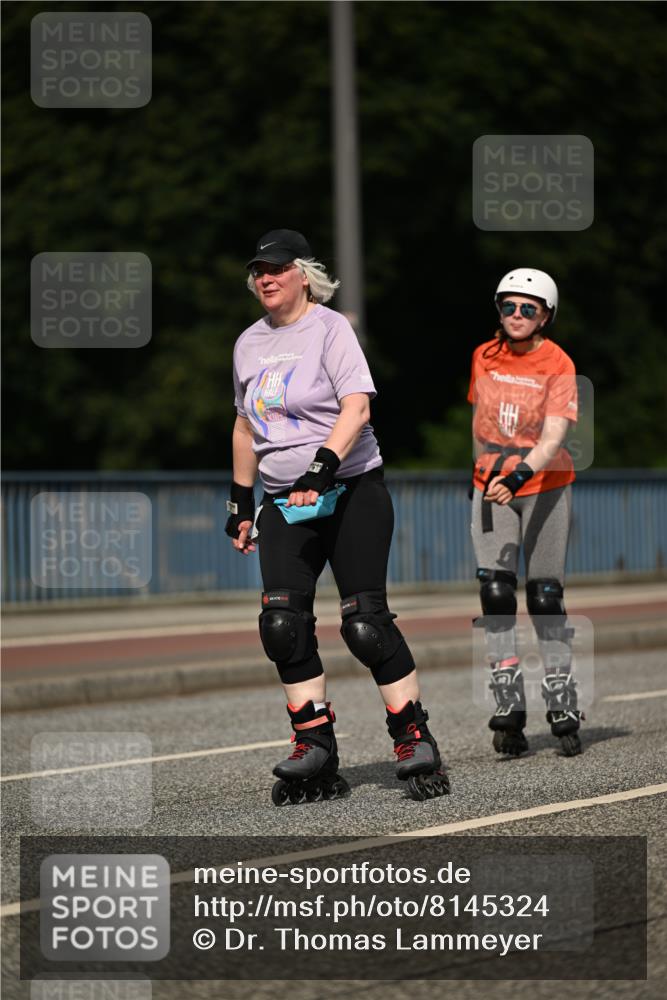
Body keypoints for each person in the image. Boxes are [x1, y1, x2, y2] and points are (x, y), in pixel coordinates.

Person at [226, 229, 449, 804]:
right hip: (281, 502)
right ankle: (315, 744)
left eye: (276, 268)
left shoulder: (330, 328)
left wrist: (320, 470)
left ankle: (413, 736)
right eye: (258, 270)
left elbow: (357, 406)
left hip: (350, 490)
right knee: (282, 623)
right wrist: (239, 502)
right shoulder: (248, 343)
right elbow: (247, 426)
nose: (265, 278)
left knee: (364, 624)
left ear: (303, 274)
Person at [468, 268, 583, 758]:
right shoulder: (484, 356)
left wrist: (517, 476)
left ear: (545, 316)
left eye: (527, 308)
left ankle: (560, 696)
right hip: (492, 487)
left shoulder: (558, 363)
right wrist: (480, 475)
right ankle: (508, 701)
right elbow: (480, 423)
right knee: (495, 591)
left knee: (544, 595)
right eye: (508, 306)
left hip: (544, 484)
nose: (516, 316)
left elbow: (554, 435)